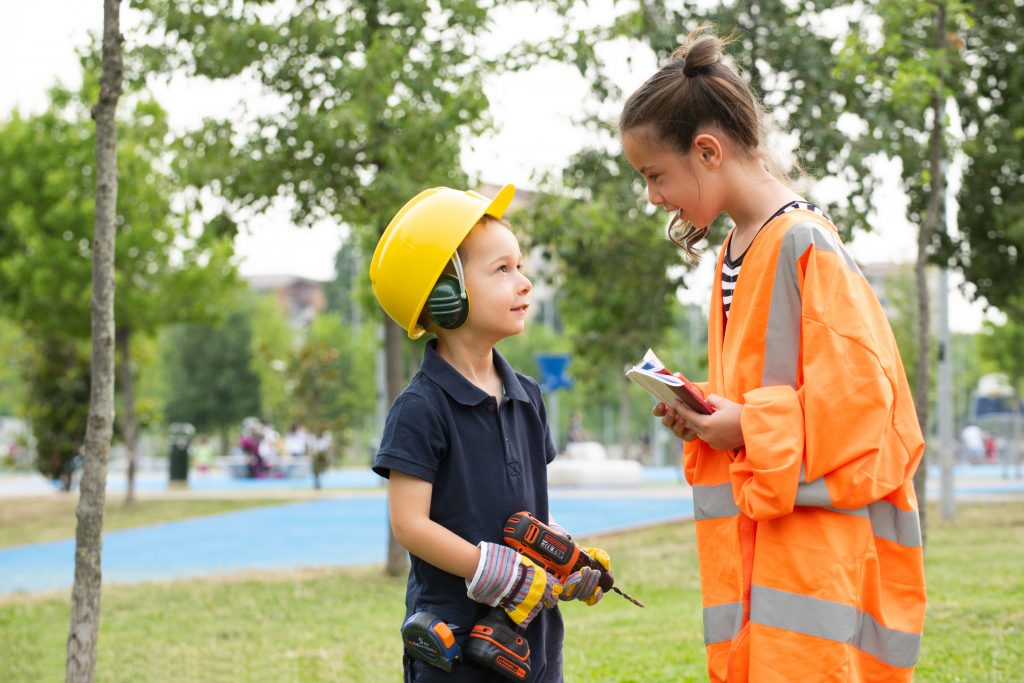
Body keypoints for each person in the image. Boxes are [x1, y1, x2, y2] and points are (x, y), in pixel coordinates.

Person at [619, 26, 927, 682]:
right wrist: (704, 413)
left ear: (707, 151)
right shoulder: (738, 249)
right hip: (762, 546)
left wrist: (744, 424)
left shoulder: (803, 244)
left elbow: (869, 412)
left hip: (813, 555)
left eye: (654, 174)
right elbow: (771, 388)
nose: (652, 196)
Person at [369, 184, 609, 682]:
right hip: (456, 646)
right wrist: (492, 571)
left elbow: (528, 508)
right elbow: (409, 524)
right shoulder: (420, 408)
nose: (524, 283)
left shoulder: (527, 396)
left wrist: (564, 557)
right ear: (445, 292)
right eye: (502, 270)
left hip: (533, 643)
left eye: (519, 266)